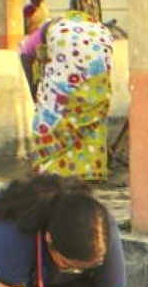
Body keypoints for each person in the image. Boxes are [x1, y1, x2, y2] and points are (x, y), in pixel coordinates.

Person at [22, 11, 114, 181]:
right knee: (91, 128)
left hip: (63, 92)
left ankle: (52, 172)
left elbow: (25, 54)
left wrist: (34, 89)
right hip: (96, 89)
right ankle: (90, 171)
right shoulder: (101, 30)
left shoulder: (49, 28)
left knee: (49, 122)